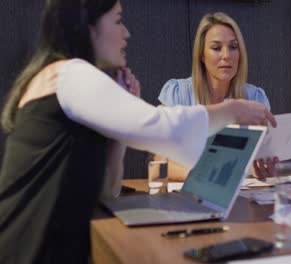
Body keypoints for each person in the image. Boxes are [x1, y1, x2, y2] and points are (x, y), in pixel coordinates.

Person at [0, 1, 276, 263]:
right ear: (88, 25)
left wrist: (119, 131)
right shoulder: (71, 73)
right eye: (118, 21)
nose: (126, 33)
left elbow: (109, 189)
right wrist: (231, 110)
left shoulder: (67, 77)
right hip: (33, 247)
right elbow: (161, 129)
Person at [155, 12, 275, 181]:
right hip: (190, 194)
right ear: (202, 56)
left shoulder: (256, 97)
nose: (226, 55)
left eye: (233, 47)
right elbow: (159, 164)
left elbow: (263, 158)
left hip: (243, 195)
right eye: (216, 48)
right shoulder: (177, 93)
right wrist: (208, 175)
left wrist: (260, 169)